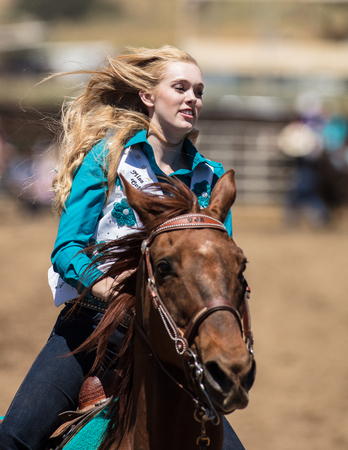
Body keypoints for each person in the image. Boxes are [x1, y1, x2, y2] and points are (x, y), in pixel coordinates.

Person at [0, 45, 242, 450]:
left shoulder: (212, 178)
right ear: (148, 96)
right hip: (93, 327)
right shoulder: (109, 158)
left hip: (175, 343)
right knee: (14, 438)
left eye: (198, 91)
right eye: (180, 87)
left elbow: (222, 266)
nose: (192, 99)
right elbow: (68, 247)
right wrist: (104, 286)